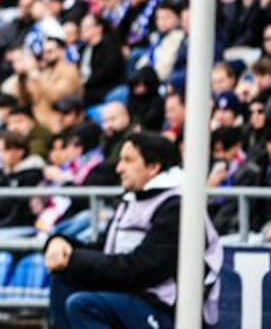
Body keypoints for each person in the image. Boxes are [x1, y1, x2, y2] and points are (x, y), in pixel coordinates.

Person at [44, 132, 221, 329]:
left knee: (84, 305)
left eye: (128, 160)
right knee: (62, 277)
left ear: (154, 167)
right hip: (133, 298)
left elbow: (141, 269)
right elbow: (104, 249)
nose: (119, 168)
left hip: (169, 310)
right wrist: (62, 244)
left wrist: (74, 259)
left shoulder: (178, 207)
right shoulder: (133, 199)